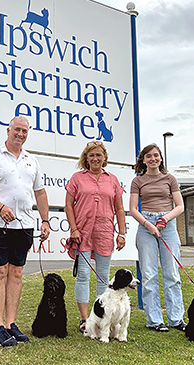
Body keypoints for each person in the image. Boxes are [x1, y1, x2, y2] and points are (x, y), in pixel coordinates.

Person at [0, 116, 50, 347]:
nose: (21, 134)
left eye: (25, 131)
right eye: (17, 129)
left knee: (16, 273)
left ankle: (10, 324)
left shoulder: (32, 160)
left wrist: (45, 220)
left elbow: (40, 193)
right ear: (8, 131)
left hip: (24, 225)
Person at [64, 140, 126, 334]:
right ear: (86, 158)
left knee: (103, 278)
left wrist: (121, 232)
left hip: (105, 232)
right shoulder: (77, 178)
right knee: (82, 276)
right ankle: (84, 319)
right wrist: (73, 229)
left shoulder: (113, 180)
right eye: (91, 155)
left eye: (99, 155)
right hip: (82, 233)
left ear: (104, 158)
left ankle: (100, 319)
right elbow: (68, 205)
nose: (95, 158)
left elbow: (119, 208)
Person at [129, 143, 186, 332]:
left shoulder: (170, 179)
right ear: (143, 160)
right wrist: (148, 224)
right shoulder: (137, 181)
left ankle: (176, 319)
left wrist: (164, 219)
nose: (152, 159)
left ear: (160, 158)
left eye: (156, 155)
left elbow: (179, 206)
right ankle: (155, 320)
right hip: (146, 227)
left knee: (172, 274)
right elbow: (133, 209)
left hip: (167, 226)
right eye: (148, 156)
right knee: (148, 275)